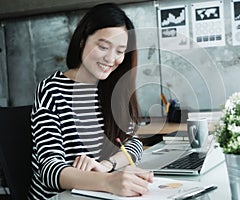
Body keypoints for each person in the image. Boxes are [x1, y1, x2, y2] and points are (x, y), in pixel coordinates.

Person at [28, 3, 153, 199]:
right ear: (82, 41)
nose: (111, 58)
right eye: (103, 46)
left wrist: (106, 166)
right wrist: (109, 182)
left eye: (120, 51)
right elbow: (50, 170)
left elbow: (133, 143)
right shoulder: (51, 90)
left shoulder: (112, 89)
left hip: (95, 194)